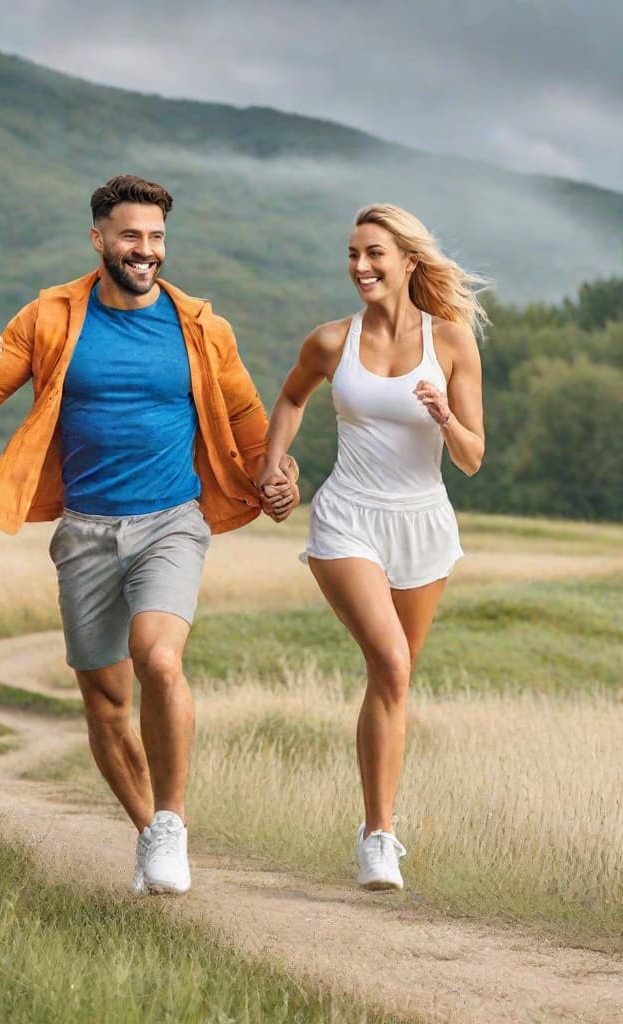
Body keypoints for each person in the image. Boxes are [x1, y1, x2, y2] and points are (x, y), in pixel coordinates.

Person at [0, 174, 299, 896]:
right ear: (99, 238)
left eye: (157, 238)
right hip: (84, 531)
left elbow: (252, 426)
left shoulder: (201, 326)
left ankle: (171, 822)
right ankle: (147, 831)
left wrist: (282, 479)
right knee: (105, 703)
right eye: (131, 236)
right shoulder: (49, 317)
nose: (146, 250)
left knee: (159, 661)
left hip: (172, 519)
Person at [257, 203, 486, 891]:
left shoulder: (451, 342)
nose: (360, 266)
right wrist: (273, 466)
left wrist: (444, 414)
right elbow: (292, 399)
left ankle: (375, 825)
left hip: (423, 524)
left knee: (393, 679)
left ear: (409, 261)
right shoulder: (332, 341)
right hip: (347, 519)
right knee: (387, 658)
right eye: (353, 254)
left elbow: (473, 457)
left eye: (374, 253)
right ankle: (380, 839)